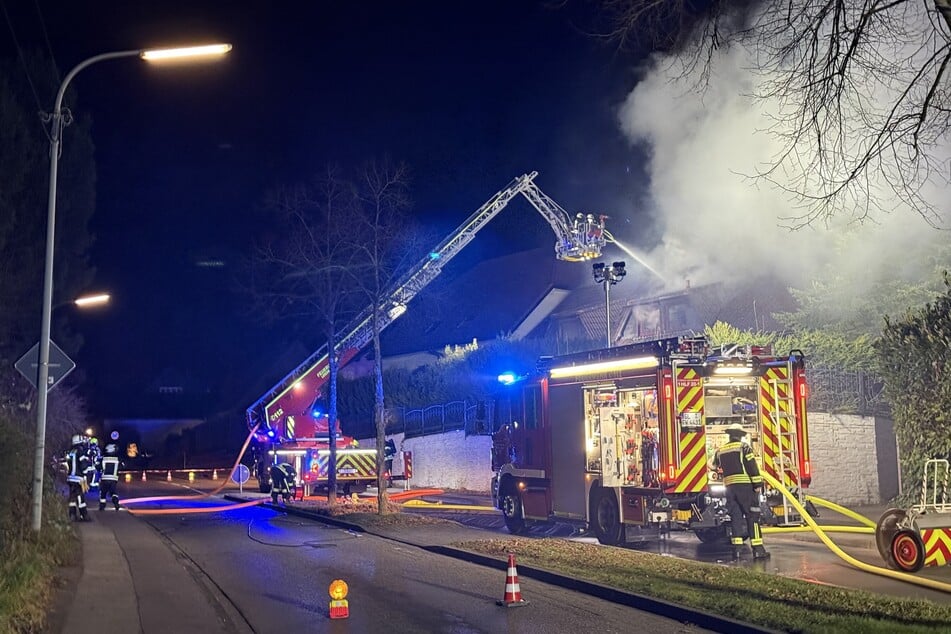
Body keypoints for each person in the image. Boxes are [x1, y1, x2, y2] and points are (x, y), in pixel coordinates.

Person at [713, 423, 769, 560]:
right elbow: (752, 466)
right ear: (740, 436)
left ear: (730, 435)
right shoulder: (744, 447)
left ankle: (737, 550)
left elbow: (714, 465)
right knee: (753, 516)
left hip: (730, 488)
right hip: (745, 487)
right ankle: (758, 549)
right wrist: (757, 483)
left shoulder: (721, 450)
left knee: (736, 518)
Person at [63, 434, 91, 521]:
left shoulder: (71, 451)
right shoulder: (80, 450)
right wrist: (86, 471)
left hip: (70, 478)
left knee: (72, 498)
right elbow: (83, 465)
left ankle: (72, 514)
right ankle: (84, 515)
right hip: (78, 478)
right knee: (80, 497)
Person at [98, 443, 122, 511]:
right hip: (113, 479)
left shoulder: (103, 459)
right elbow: (122, 466)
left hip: (104, 478)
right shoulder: (117, 459)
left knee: (103, 493)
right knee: (113, 492)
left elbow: (99, 467)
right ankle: (116, 502)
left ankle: (102, 506)